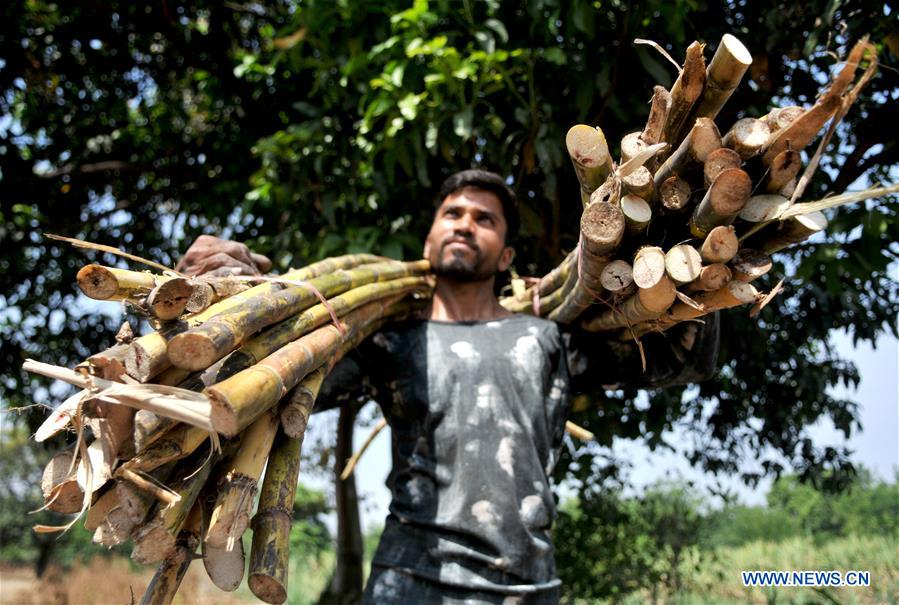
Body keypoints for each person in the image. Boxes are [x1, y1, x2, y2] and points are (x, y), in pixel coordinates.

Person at [178, 169, 718, 604]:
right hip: (406, 582)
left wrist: (690, 241)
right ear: (431, 238)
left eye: (484, 219)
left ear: (506, 256)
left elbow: (680, 361)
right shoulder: (388, 342)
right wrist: (235, 295)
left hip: (527, 587)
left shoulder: (548, 339)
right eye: (452, 214)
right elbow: (251, 390)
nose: (464, 224)